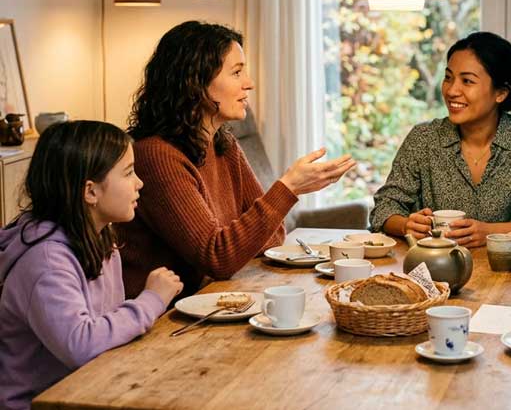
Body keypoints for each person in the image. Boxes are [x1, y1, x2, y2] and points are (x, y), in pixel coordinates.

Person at [117, 21, 355, 299]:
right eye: (237, 72)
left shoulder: (223, 143)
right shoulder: (157, 156)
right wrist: (288, 188)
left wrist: (246, 233)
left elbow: (272, 238)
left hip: (213, 300)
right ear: (195, 81)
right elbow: (218, 258)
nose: (249, 83)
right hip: (161, 314)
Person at [0, 121, 184, 410]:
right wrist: (151, 300)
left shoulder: (102, 239)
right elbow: (81, 345)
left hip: (90, 391)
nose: (139, 183)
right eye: (128, 173)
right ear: (90, 192)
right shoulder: (45, 262)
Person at [370, 32, 511, 248]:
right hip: (434, 266)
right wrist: (405, 225)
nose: (451, 90)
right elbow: (384, 207)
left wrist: (492, 232)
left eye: (467, 81)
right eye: (448, 78)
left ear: (500, 93)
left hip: (509, 267)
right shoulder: (424, 138)